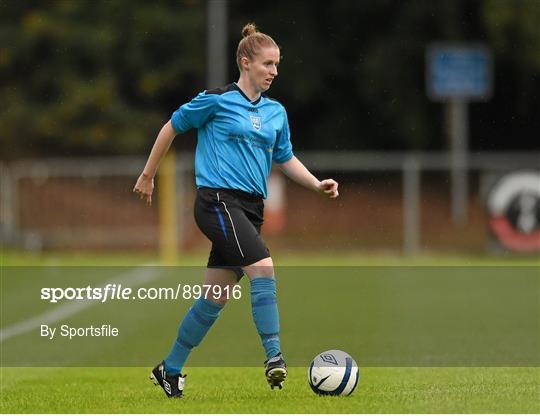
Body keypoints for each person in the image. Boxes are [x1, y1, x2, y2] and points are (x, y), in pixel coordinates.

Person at [133, 23, 339, 398]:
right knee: (263, 267)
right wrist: (148, 175)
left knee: (214, 297)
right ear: (245, 63)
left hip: (249, 210)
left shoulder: (276, 113)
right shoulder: (216, 100)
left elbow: (285, 157)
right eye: (268, 64)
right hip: (216, 202)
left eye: (277, 64)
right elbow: (171, 127)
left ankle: (170, 368)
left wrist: (315, 183)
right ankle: (275, 358)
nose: (274, 71)